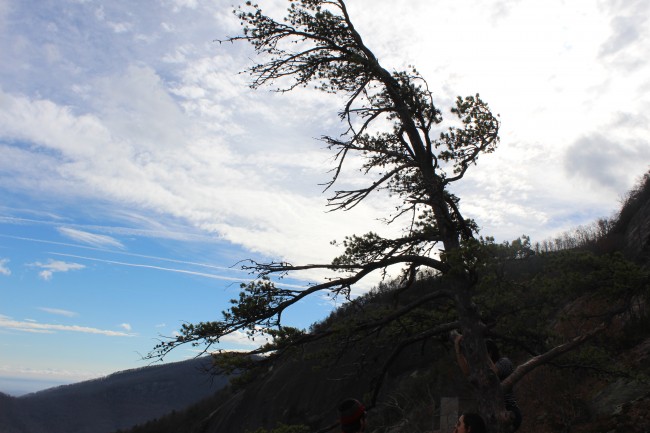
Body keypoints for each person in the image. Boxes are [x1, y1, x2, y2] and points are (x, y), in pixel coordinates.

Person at [452, 333, 522, 432]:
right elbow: (467, 372)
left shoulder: (504, 362)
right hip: (491, 414)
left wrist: (481, 351)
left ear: (489, 353)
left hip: (509, 412)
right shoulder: (483, 370)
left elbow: (493, 373)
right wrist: (458, 350)